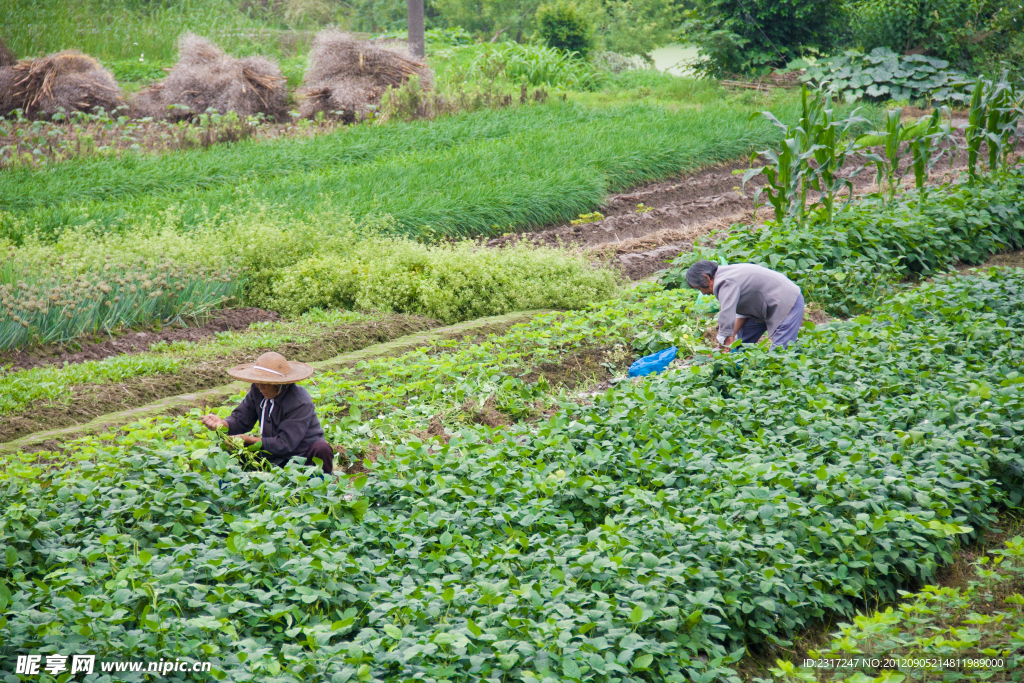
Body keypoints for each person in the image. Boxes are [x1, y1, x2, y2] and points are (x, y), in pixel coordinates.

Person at [200, 351, 334, 473]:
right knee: (225, 447)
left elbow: (284, 444)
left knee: (321, 448)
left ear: (280, 383)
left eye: (265, 383)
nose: (260, 386)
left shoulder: (299, 401)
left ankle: (323, 487)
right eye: (258, 382)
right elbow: (241, 419)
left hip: (301, 456)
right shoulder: (257, 391)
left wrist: (247, 440)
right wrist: (223, 424)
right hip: (271, 455)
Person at [685, 260, 804, 350]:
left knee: (780, 352)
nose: (703, 293)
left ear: (706, 277)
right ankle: (738, 369)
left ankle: (777, 377)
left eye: (700, 288)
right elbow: (739, 312)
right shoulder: (725, 275)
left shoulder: (724, 281)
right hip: (761, 306)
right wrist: (728, 338)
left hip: (787, 301)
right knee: (741, 345)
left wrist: (722, 341)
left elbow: (727, 313)